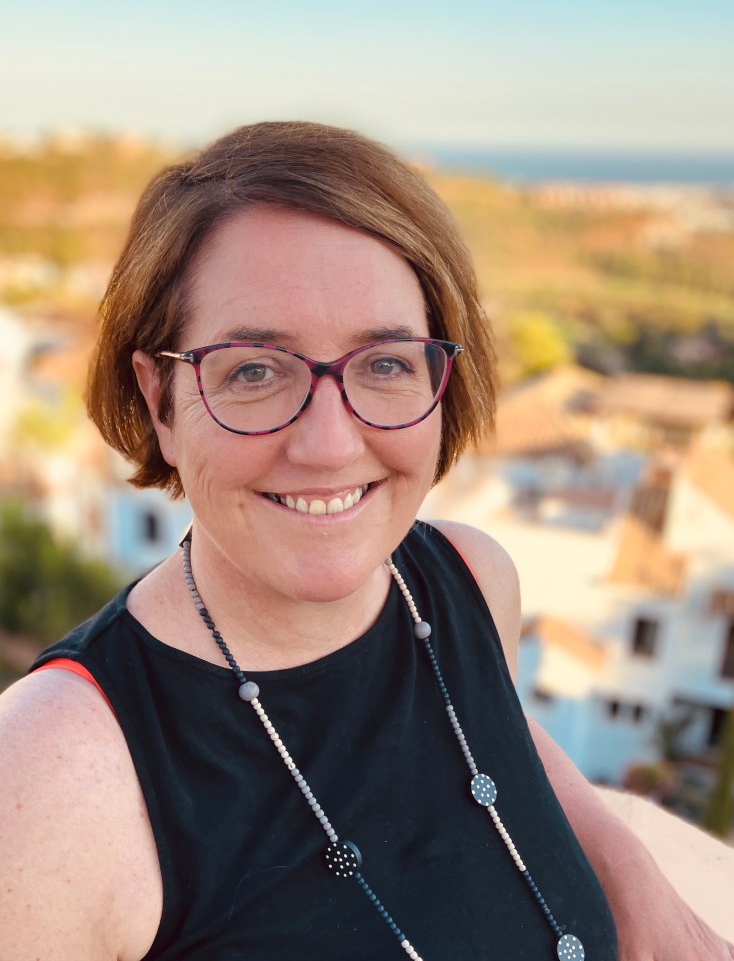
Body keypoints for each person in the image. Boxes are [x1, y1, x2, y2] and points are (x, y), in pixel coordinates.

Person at [0, 121, 731, 961]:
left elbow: (496, 738)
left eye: (385, 364)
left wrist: (630, 875)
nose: (329, 445)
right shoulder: (56, 775)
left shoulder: (468, 580)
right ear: (159, 399)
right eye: (253, 369)